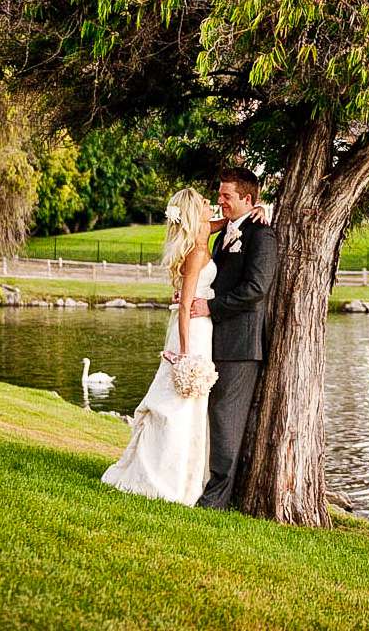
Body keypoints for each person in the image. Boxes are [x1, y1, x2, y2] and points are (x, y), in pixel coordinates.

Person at [100, 187, 217, 505]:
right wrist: (184, 353)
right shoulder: (194, 253)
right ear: (195, 214)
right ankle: (167, 478)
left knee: (192, 405)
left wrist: (258, 209)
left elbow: (222, 223)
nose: (212, 206)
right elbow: (184, 307)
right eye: (206, 204)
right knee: (179, 404)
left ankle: (189, 476)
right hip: (190, 333)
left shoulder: (202, 235)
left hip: (199, 330)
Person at [190, 167, 278, 510]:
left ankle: (216, 501)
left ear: (247, 199)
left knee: (226, 420)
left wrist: (210, 307)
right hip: (214, 339)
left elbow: (256, 289)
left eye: (226, 196)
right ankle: (202, 485)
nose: (220, 201)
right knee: (211, 415)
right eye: (220, 195)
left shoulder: (261, 236)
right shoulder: (225, 232)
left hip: (241, 346)